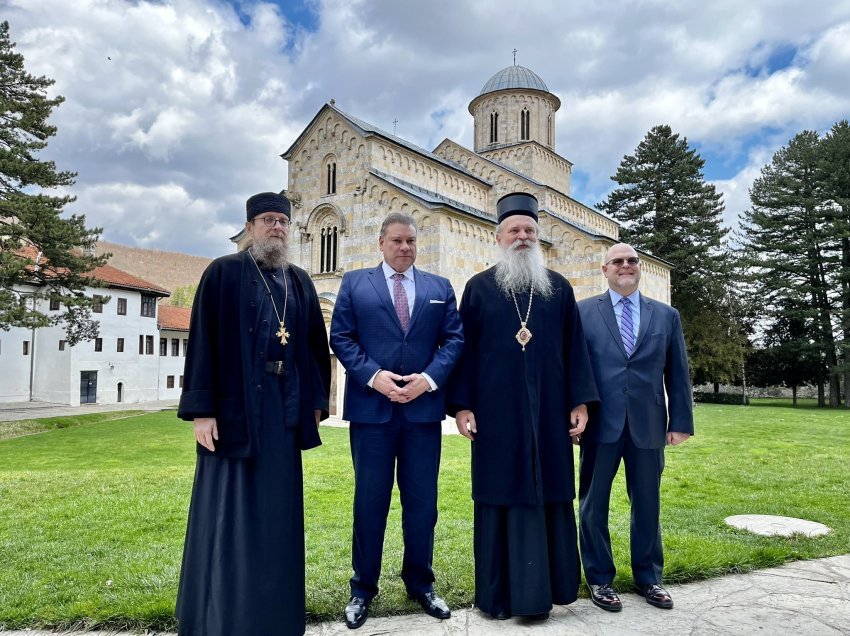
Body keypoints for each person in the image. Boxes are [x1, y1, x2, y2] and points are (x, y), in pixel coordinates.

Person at [175, 192, 331, 636]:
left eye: (283, 221)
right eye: (268, 220)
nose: (277, 228)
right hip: (233, 410)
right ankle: (223, 615)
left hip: (282, 410)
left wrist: (315, 405)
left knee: (277, 511)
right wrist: (202, 410)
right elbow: (202, 342)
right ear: (250, 227)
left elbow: (315, 350)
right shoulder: (223, 272)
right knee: (230, 510)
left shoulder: (299, 281)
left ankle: (274, 616)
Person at [448, 192, 599, 621]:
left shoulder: (559, 288)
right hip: (497, 417)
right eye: (514, 230)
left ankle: (548, 591)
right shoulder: (478, 288)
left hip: (551, 415)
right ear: (498, 237)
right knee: (500, 493)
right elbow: (465, 352)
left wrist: (581, 404)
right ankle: (498, 596)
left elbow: (576, 352)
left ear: (538, 237)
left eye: (529, 230)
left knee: (550, 493)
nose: (523, 236)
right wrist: (462, 406)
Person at [329, 212, 463, 630]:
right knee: (370, 502)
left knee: (422, 505)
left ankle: (420, 584)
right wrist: (374, 377)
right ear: (381, 243)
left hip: (422, 414)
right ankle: (362, 589)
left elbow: (455, 339)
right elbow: (342, 337)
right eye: (397, 241)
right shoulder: (354, 284)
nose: (405, 247)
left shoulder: (439, 288)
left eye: (411, 241)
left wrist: (427, 380)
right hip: (372, 413)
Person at [577, 242, 694, 612]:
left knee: (647, 504)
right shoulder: (582, 313)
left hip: (648, 425)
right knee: (593, 505)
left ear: (639, 268)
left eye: (632, 261)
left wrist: (681, 422)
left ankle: (650, 578)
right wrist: (573, 411)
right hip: (600, 424)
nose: (625, 266)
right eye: (617, 261)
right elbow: (574, 371)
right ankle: (599, 579)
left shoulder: (665, 315)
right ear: (604, 269)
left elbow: (678, 372)